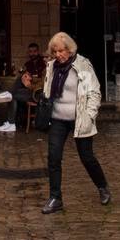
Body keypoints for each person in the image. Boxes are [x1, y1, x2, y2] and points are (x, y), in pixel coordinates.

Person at [41, 31, 111, 214]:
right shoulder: (51, 67)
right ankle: (55, 198)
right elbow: (48, 91)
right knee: (53, 158)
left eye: (62, 51)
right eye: (55, 51)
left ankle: (102, 186)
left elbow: (94, 93)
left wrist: (90, 115)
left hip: (79, 118)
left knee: (87, 157)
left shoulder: (82, 65)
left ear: (70, 49)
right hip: (57, 118)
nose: (58, 55)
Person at [11, 41, 45, 127]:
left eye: (34, 51)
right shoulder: (27, 64)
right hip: (30, 89)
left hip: (38, 93)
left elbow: (42, 83)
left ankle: (12, 123)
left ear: (38, 51)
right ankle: (18, 122)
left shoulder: (44, 64)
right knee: (20, 79)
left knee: (13, 96)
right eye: (30, 51)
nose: (32, 54)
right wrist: (25, 77)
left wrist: (30, 82)